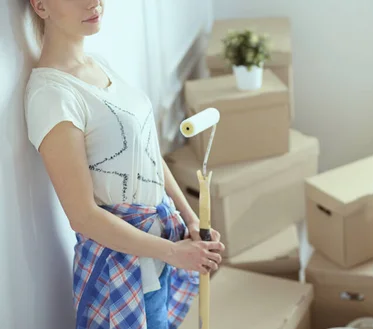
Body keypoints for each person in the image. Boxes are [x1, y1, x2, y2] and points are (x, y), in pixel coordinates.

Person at [24, 1, 225, 328]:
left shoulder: (98, 64)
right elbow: (83, 216)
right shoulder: (51, 96)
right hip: (120, 274)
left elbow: (149, 152)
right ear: (40, 5)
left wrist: (189, 218)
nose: (94, 2)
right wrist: (174, 253)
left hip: (155, 260)